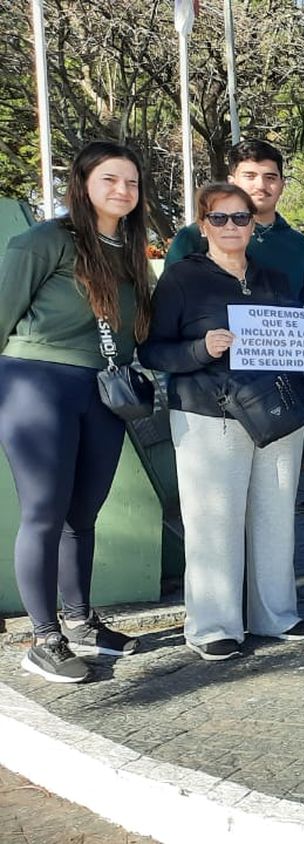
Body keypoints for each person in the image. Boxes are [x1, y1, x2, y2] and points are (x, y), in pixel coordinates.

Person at [139, 183, 304, 661]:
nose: (231, 227)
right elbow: (152, 348)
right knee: (214, 522)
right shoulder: (182, 279)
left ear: (254, 223)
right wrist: (199, 349)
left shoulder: (271, 278)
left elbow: (289, 336)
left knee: (274, 517)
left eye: (241, 218)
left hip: (276, 413)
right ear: (203, 225)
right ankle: (212, 624)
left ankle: (276, 614)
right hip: (211, 414)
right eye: (220, 218)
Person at [0, 141, 153, 683]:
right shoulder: (45, 241)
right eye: (110, 179)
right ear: (83, 183)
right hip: (38, 382)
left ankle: (80, 621)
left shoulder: (132, 249)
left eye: (131, 182)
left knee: (82, 514)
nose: (122, 191)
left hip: (103, 388)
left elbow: (143, 331)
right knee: (43, 511)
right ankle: (43, 638)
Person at [164, 139, 304, 304]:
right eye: (250, 176)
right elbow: (169, 304)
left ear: (282, 185)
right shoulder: (194, 236)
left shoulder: (300, 247)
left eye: (270, 178)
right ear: (232, 182)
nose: (261, 185)